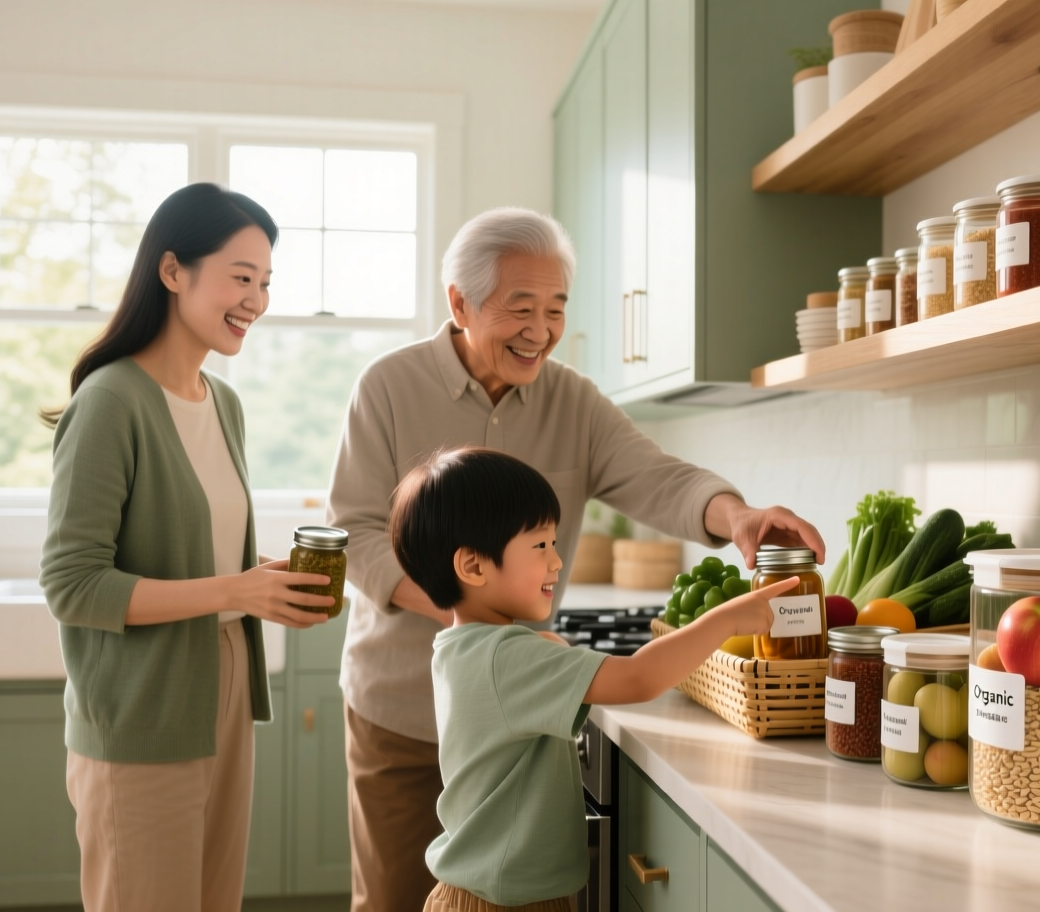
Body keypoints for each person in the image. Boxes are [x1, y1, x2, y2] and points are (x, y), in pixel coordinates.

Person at [325, 206, 825, 911]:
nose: (541, 330)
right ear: (459, 303)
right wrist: (472, 616)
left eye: (556, 308)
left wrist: (736, 514)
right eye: (519, 307)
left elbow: (657, 477)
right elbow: (354, 534)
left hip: (522, 708)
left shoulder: (576, 401)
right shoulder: (387, 386)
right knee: (391, 900)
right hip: (399, 708)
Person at [40, 183, 333, 912]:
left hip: (224, 694)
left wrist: (262, 580)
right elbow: (73, 585)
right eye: (241, 277)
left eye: (266, 283)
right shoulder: (110, 401)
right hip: (142, 710)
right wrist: (237, 592)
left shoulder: (221, 401)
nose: (257, 300)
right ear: (173, 271)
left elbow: (197, 556)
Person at [387, 448, 794, 912]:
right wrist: (725, 621)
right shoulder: (509, 656)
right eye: (539, 546)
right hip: (511, 903)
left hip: (480, 890)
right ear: (474, 566)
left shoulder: (463, 646)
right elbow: (638, 678)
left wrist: (542, 649)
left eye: (554, 543)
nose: (556, 562)